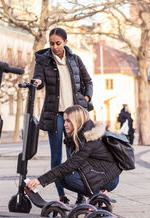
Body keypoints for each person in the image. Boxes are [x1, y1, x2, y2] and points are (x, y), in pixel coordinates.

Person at [33, 27, 93, 204]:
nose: (54, 47)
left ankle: (81, 195)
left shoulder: (75, 60)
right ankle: (61, 195)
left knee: (74, 155)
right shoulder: (44, 61)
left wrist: (86, 97)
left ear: (65, 42)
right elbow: (39, 78)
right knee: (56, 157)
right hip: (55, 115)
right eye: (51, 43)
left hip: (75, 116)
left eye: (58, 43)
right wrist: (37, 82)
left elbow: (87, 80)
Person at [27, 105, 120, 201]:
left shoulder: (89, 138)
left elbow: (71, 164)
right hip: (96, 172)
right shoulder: (77, 136)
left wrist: (40, 180)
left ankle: (100, 197)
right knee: (60, 178)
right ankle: (97, 196)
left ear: (77, 121)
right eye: (64, 120)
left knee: (71, 178)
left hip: (109, 178)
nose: (64, 124)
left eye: (68, 121)